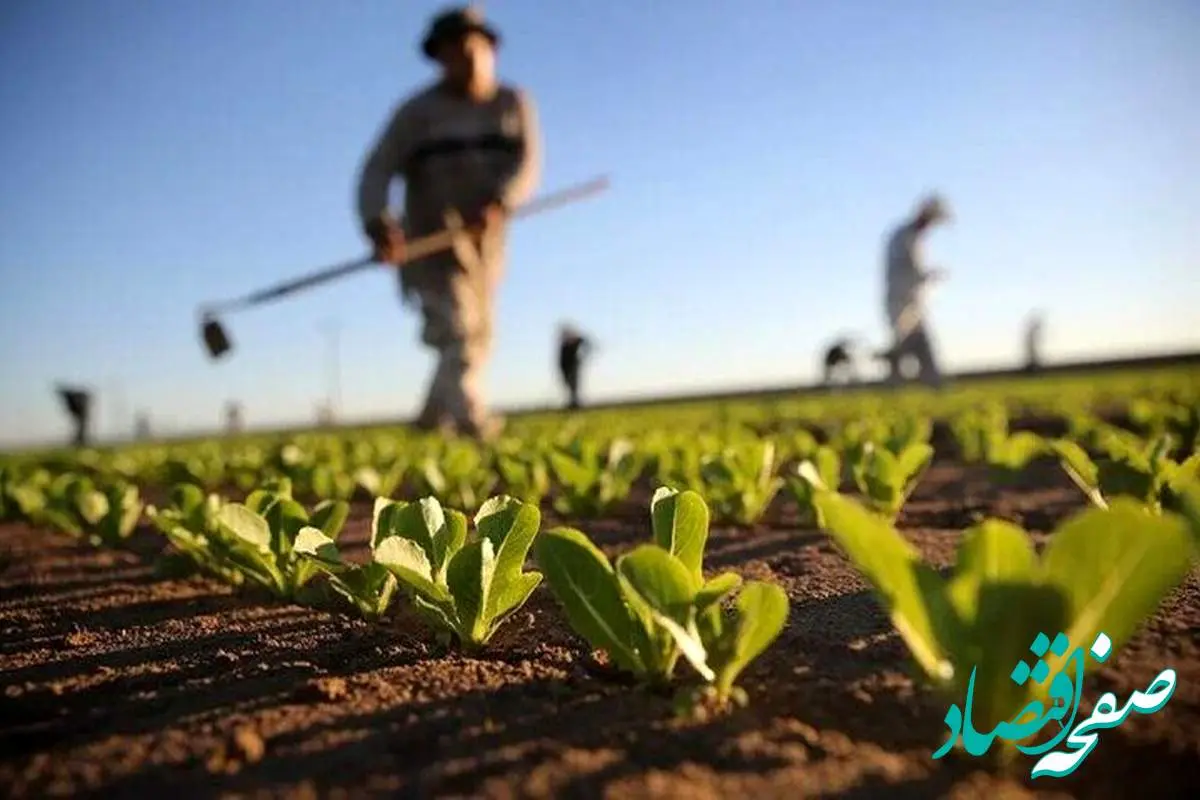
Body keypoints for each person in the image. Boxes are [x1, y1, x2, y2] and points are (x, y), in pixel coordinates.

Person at [355, 6, 542, 441]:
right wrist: (377, 222)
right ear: (439, 58)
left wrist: (502, 201)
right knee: (458, 331)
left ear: (491, 50)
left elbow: (527, 163)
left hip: (486, 245)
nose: (466, 58)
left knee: (478, 334)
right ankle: (471, 423)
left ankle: (428, 421)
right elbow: (376, 171)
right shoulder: (415, 114)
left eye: (474, 48)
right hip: (430, 242)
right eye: (454, 51)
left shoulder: (513, 103)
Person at [879, 194, 951, 388]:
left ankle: (933, 384)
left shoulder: (914, 238)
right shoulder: (904, 236)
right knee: (904, 347)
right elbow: (907, 269)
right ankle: (897, 387)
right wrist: (929, 275)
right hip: (900, 303)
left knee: (920, 345)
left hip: (912, 304)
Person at [558, 324, 593, 409]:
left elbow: (587, 343)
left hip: (573, 367)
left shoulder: (575, 341)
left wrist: (583, 355)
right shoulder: (564, 346)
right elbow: (561, 360)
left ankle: (574, 404)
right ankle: (573, 402)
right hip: (565, 369)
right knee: (569, 386)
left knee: (574, 386)